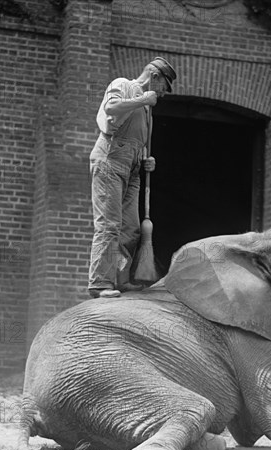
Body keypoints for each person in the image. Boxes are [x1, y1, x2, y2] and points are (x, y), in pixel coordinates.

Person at [88, 57, 177, 299]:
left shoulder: (149, 109)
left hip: (134, 167)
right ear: (154, 77)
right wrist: (141, 99)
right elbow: (111, 109)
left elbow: (139, 140)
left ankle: (121, 279)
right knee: (109, 225)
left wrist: (147, 160)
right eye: (164, 87)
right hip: (110, 159)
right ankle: (99, 283)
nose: (163, 94)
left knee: (131, 228)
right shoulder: (123, 85)